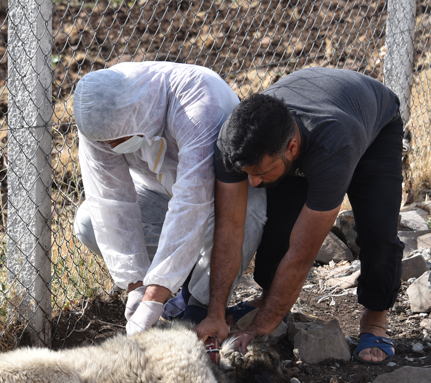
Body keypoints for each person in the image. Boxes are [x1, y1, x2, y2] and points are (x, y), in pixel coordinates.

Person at [195, 67, 405, 364]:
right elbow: (228, 229)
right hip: (310, 114)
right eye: (248, 173)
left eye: (260, 172)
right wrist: (215, 312)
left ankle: (375, 318)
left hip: (373, 123)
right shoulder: (233, 140)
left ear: (291, 148)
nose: (252, 183)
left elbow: (301, 254)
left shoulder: (334, 143)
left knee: (377, 231)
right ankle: (268, 299)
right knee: (278, 225)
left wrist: (258, 330)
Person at [72, 62, 266, 335]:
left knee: (248, 213)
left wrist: (155, 296)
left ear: (138, 109)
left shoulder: (199, 102)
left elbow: (192, 201)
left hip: (222, 198)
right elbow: (111, 202)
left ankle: (199, 306)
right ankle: (185, 277)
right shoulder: (98, 122)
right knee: (89, 223)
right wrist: (137, 286)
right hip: (161, 194)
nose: (113, 147)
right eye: (107, 143)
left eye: (118, 139)